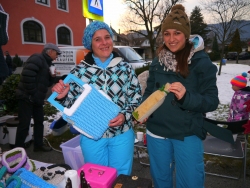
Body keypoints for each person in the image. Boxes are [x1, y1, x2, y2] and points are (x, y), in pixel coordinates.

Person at [142, 4, 219, 188]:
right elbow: (149, 92)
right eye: (167, 33)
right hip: (156, 132)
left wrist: (186, 97)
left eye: (177, 33)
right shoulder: (157, 61)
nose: (171, 39)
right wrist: (142, 110)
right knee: (161, 181)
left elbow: (212, 101)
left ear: (186, 35)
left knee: (191, 182)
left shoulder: (201, 62)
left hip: (187, 133)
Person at [51, 21, 142, 175]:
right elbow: (71, 106)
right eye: (97, 39)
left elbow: (136, 98)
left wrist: (124, 115)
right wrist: (63, 96)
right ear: (90, 44)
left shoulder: (125, 68)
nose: (104, 43)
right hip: (91, 137)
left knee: (121, 179)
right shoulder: (79, 71)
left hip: (122, 134)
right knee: (96, 178)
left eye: (107, 37)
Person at [15, 43, 61, 152]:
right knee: (24, 124)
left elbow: (47, 83)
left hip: (36, 99)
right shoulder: (37, 58)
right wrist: (33, 94)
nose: (57, 56)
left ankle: (38, 145)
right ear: (49, 51)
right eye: (57, 53)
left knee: (39, 122)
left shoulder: (48, 63)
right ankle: (17, 151)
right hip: (26, 97)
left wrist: (52, 77)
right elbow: (27, 76)